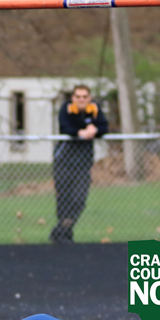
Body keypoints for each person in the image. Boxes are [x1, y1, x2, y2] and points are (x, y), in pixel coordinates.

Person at [50, 85, 108, 244]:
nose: (81, 99)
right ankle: (64, 234)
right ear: (73, 98)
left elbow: (104, 127)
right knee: (64, 198)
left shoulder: (94, 109)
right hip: (64, 161)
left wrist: (94, 130)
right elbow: (65, 127)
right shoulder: (67, 109)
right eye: (78, 96)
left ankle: (61, 230)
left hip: (83, 163)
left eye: (84, 96)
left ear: (89, 98)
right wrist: (80, 132)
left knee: (79, 199)